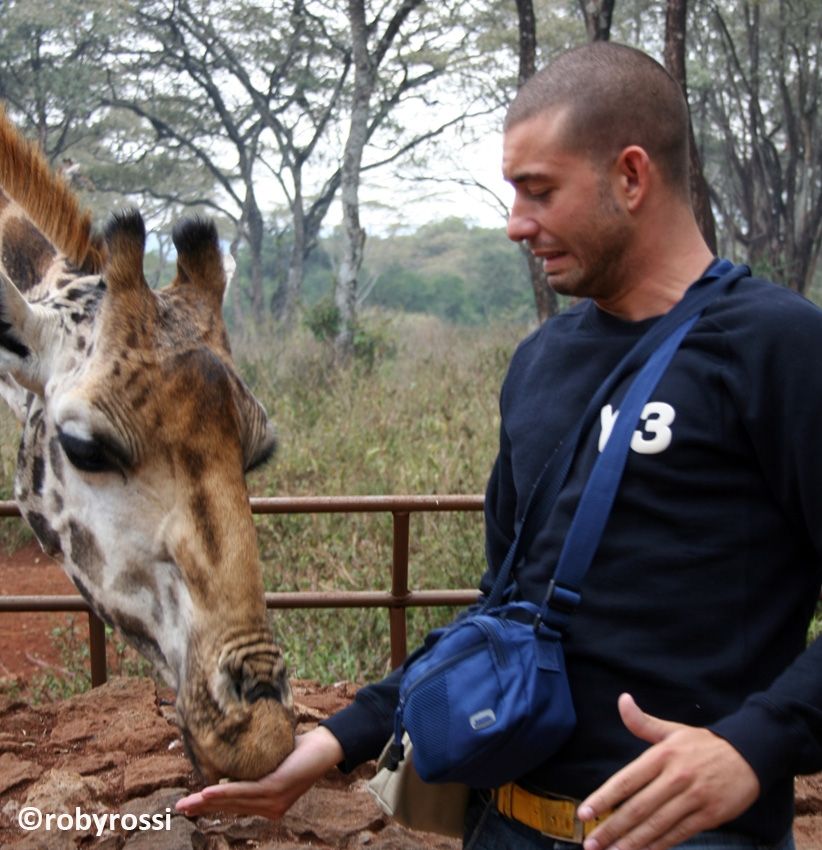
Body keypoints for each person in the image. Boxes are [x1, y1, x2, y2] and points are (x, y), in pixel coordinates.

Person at [176, 42, 822, 850]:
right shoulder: (540, 362)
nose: (516, 224)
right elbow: (506, 607)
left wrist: (752, 748)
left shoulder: (779, 347)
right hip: (505, 827)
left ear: (630, 176)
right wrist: (333, 742)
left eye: (539, 191)